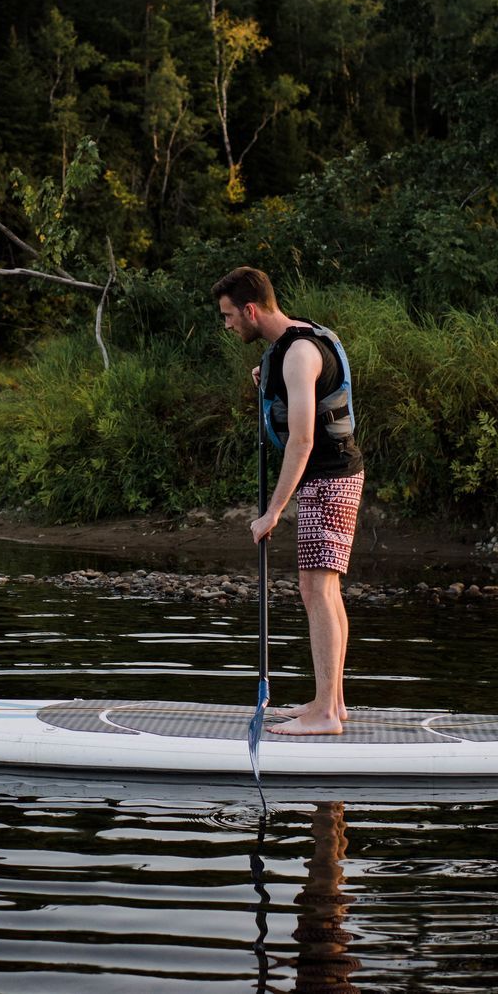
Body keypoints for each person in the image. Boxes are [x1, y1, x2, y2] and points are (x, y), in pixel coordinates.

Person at [213, 266, 365, 736]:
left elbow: (301, 441)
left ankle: (325, 714)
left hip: (329, 477)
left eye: (228, 315)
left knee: (317, 591)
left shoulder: (299, 354)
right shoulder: (294, 342)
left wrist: (273, 512)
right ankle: (331, 704)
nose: (227, 324)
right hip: (332, 476)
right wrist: (269, 376)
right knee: (323, 590)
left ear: (251, 309)